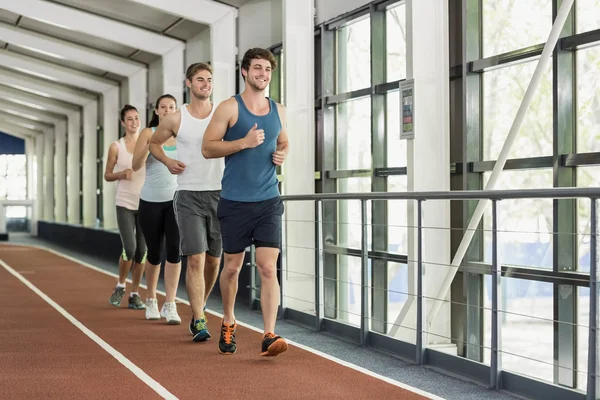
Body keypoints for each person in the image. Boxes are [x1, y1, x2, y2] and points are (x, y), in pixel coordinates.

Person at [202, 48, 289, 357]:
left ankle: (269, 334)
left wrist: (282, 154)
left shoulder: (279, 109)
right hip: (235, 202)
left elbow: (284, 140)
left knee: (268, 268)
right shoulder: (228, 107)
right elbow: (207, 149)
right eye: (256, 68)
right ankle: (228, 319)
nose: (262, 74)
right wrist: (243, 143)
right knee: (232, 269)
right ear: (244, 71)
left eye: (267, 69)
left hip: (268, 201)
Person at [150, 62, 224, 342]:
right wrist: (168, 160)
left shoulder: (222, 114)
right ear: (189, 84)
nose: (206, 84)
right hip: (189, 195)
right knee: (195, 258)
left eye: (209, 80)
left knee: (213, 261)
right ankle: (201, 320)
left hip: (220, 193)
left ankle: (197, 309)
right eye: (200, 80)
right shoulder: (175, 119)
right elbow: (154, 144)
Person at [132, 94, 182, 324]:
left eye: (171, 107)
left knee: (174, 251)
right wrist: (153, 146)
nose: (167, 110)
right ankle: (151, 299)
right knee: (154, 253)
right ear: (157, 111)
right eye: (163, 107)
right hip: (150, 201)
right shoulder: (147, 133)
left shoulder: (182, 135)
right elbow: (135, 165)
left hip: (176, 201)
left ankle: (170, 303)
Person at [105, 104, 147, 310]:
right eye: (129, 119)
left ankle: (135, 293)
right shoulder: (116, 146)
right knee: (129, 248)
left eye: (136, 118)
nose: (134, 122)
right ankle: (120, 284)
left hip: (146, 203)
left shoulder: (148, 142)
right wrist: (121, 174)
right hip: (125, 203)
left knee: (142, 252)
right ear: (123, 123)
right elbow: (107, 175)